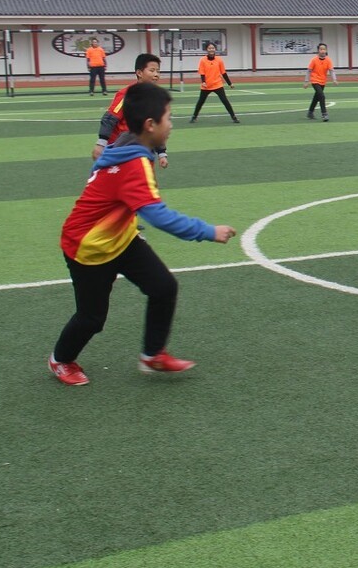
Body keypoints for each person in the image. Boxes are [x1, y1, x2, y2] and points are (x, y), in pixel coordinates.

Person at [50, 82, 236, 386]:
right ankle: (61, 359)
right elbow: (158, 215)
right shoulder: (134, 164)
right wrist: (207, 231)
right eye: (169, 118)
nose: (172, 125)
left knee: (163, 287)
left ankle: (152, 354)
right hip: (88, 247)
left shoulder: (127, 144)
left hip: (121, 237)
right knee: (92, 318)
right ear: (150, 125)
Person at [91, 53, 168, 167]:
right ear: (139, 73)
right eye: (152, 70)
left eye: (158, 71)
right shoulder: (127, 94)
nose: (156, 74)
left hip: (144, 150)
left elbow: (155, 127)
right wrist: (101, 143)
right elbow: (110, 118)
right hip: (122, 150)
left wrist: (162, 153)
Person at [190, 43, 240, 123]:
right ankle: (194, 117)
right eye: (209, 48)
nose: (211, 49)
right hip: (206, 85)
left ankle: (234, 117)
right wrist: (203, 82)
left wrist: (230, 83)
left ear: (215, 49)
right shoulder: (203, 60)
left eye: (213, 48)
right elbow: (202, 72)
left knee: (225, 101)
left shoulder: (219, 60)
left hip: (217, 85)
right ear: (207, 49)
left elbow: (223, 72)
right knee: (200, 102)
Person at [303, 42, 338, 121]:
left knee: (316, 97)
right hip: (315, 80)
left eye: (324, 49)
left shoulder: (328, 60)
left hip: (323, 81)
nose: (322, 51)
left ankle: (310, 112)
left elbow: (331, 71)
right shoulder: (314, 60)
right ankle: (324, 114)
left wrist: (334, 79)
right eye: (321, 49)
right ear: (318, 50)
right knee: (321, 96)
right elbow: (309, 71)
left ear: (326, 50)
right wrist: (306, 81)